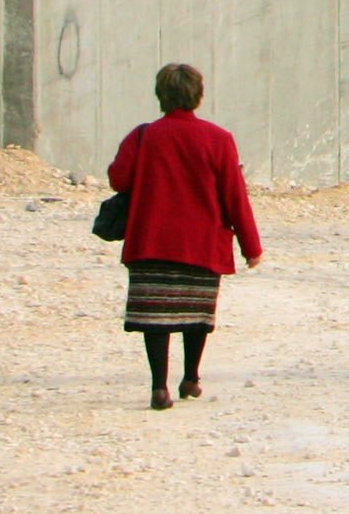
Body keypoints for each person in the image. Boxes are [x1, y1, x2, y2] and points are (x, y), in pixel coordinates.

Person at [107, 63, 261, 411]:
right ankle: (190, 378)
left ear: (160, 95)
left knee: (155, 318)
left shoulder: (143, 136)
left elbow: (118, 179)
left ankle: (158, 387)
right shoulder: (219, 139)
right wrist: (251, 247)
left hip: (151, 243)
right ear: (198, 95)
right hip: (202, 246)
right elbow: (235, 196)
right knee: (196, 314)